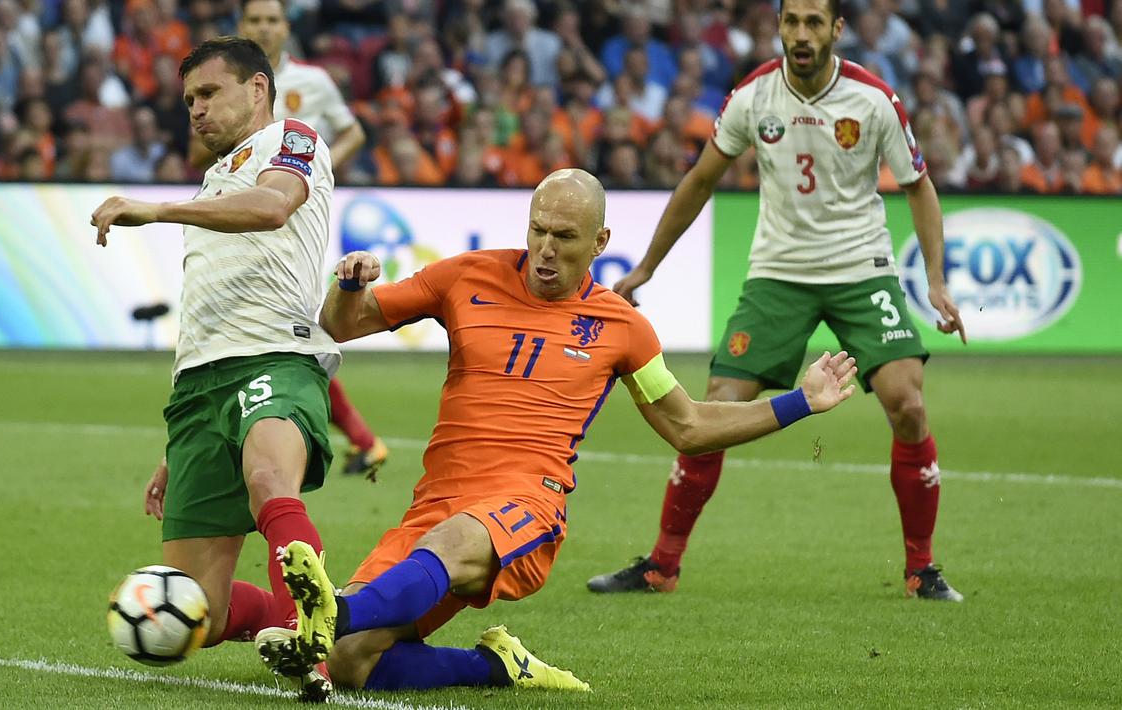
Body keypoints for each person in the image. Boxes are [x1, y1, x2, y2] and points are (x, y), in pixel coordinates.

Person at [253, 168, 860, 692]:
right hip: (437, 501)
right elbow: (344, 325)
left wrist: (800, 402)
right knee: (350, 661)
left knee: (441, 551)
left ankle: (333, 612)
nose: (545, 249)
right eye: (537, 230)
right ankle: (497, 667)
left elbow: (690, 425)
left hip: (526, 504)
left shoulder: (622, 328)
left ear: (600, 242)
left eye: (564, 237)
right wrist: (349, 286)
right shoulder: (466, 276)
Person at [586, 0, 967, 602]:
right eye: (792, 22)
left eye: (814, 22)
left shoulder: (874, 100)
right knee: (718, 404)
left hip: (861, 271)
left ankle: (921, 569)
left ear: (837, 30)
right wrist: (647, 266)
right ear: (780, 27)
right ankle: (662, 566)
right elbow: (701, 179)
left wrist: (936, 280)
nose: (801, 34)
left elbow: (919, 187)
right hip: (778, 274)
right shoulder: (753, 96)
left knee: (909, 405)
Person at [90, 36, 338, 700]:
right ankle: (308, 619)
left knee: (267, 478)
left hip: (274, 357)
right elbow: (205, 316)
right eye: (188, 100)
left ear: (257, 88)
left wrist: (155, 209)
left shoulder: (292, 140)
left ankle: (310, 646)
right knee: (198, 612)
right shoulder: (213, 184)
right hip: (198, 391)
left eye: (208, 93)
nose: (196, 109)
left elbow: (273, 206)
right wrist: (175, 450)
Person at [234, 0, 389, 478]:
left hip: (295, 221)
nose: (264, 28)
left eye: (271, 20)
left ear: (286, 27)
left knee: (289, 327)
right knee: (279, 329)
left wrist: (316, 173)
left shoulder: (312, 81)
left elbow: (353, 132)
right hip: (244, 215)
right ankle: (361, 439)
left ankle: (353, 438)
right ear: (242, 25)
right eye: (255, 20)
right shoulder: (228, 83)